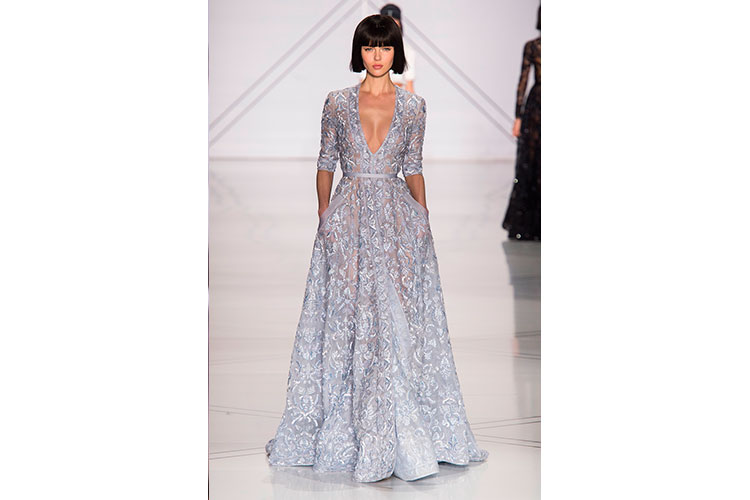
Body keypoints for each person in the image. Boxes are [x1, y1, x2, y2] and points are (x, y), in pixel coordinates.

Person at [265, 14, 487, 483]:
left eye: (385, 47)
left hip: (396, 221)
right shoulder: (337, 102)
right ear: (359, 52)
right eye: (369, 47)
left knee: (394, 320)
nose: (378, 55)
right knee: (348, 318)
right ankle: (352, 426)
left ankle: (394, 425)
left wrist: (422, 219)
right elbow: (325, 161)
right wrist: (325, 216)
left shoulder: (414, 107)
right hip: (347, 219)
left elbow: (413, 167)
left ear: (396, 52)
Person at [503, 6, 541, 241]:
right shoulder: (532, 47)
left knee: (532, 163)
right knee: (532, 163)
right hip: (536, 109)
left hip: (536, 105)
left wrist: (518, 116)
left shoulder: (533, 46)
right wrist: (518, 117)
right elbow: (522, 81)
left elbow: (523, 82)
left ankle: (529, 225)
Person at [358, 4, 416, 93]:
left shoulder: (407, 51)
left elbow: (409, 84)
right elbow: (363, 80)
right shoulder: (368, 47)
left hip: (397, 94)